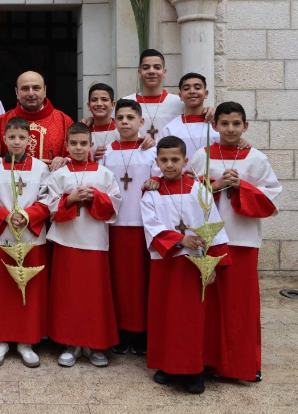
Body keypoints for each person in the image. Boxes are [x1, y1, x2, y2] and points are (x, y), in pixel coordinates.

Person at [190, 101, 281, 383]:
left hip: (242, 240)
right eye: (224, 123)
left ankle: (241, 365)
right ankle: (206, 361)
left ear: (246, 126)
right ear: (214, 125)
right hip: (208, 239)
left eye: (236, 124)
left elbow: (272, 198)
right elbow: (185, 194)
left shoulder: (257, 159)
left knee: (240, 305)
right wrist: (214, 186)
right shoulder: (201, 155)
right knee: (208, 305)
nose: (230, 129)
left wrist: (243, 186)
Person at [141, 136, 231, 395]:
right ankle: (168, 365)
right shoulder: (152, 192)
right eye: (164, 160)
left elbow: (214, 223)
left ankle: (194, 370)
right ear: (156, 161)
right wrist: (180, 239)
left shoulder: (199, 189)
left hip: (195, 265)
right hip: (167, 263)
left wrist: (213, 263)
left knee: (192, 319)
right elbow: (151, 225)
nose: (169, 165)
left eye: (174, 160)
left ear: (185, 161)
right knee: (166, 316)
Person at [45, 123, 121, 368]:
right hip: (67, 241)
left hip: (95, 241)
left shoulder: (104, 173)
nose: (78, 148)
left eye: (83, 143)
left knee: (93, 295)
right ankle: (70, 344)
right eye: (74, 144)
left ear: (91, 145)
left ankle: (94, 344)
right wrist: (72, 199)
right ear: (66, 146)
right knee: (69, 295)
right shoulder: (60, 175)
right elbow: (49, 206)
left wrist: (96, 197)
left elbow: (116, 202)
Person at [0, 116, 51, 368]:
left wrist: (28, 215)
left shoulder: (41, 168)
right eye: (12, 137)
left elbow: (48, 199)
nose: (17, 141)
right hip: (2, 236)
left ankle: (26, 341)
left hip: (32, 238)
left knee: (29, 291)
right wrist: (7, 216)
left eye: (22, 137)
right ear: (4, 139)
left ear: (29, 140)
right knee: (1, 290)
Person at [98, 99, 156, 356]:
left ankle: (142, 332)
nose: (124, 122)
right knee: (118, 281)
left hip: (143, 223)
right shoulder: (104, 153)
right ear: (114, 121)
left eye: (130, 118)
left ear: (141, 122)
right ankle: (120, 331)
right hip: (114, 224)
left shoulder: (151, 151)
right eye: (119, 118)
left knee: (142, 281)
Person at [0, 71, 72, 170]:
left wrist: (66, 159)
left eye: (36, 88)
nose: (31, 93)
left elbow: (81, 152)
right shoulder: (2, 122)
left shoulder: (64, 121)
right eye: (25, 88)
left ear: (45, 90)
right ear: (16, 92)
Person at [122, 49, 188, 139]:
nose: (151, 71)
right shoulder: (125, 103)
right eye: (146, 68)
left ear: (164, 72)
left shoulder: (179, 103)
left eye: (157, 67)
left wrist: (208, 112)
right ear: (139, 72)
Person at [159, 73, 220, 161]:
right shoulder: (170, 129)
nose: (192, 91)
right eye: (186, 88)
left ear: (206, 93)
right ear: (180, 96)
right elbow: (161, 160)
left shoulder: (217, 126)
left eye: (197, 88)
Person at [87, 83, 118, 160]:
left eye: (104, 99)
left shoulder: (122, 129)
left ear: (112, 105)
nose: (99, 104)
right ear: (88, 106)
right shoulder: (83, 130)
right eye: (94, 100)